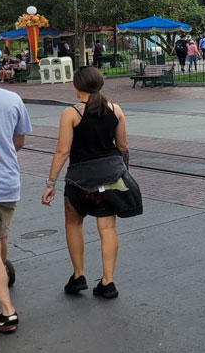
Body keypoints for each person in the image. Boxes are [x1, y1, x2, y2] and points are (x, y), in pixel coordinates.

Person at [42, 67, 135, 299]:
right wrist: (124, 171)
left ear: (76, 87)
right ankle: (108, 282)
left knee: (73, 224)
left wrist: (51, 182)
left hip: (80, 180)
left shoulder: (71, 114)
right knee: (108, 228)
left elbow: (62, 151)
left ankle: (78, 275)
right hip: (111, 176)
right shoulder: (116, 110)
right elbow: (123, 147)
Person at [0, 54, 31, 333]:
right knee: (0, 237)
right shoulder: (12, 99)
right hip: (7, 182)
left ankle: (7, 312)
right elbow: (20, 140)